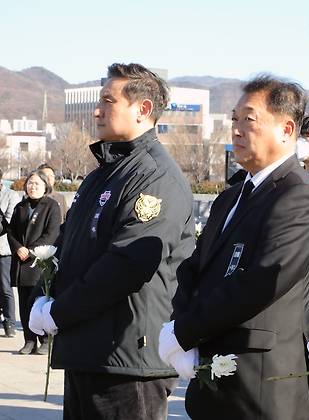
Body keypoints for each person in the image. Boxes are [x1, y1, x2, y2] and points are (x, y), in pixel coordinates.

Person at [28, 63, 195, 419]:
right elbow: (76, 248)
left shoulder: (152, 175)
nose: (96, 110)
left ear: (143, 109)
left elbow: (125, 266)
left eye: (108, 100)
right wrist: (49, 294)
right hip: (92, 350)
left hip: (125, 359)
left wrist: (58, 312)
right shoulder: (105, 173)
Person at [161, 75, 309, 420]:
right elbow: (195, 267)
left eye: (248, 120)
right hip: (213, 378)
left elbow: (264, 279)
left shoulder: (298, 194)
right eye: (233, 120)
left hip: (260, 384)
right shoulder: (231, 197)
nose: (236, 130)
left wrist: (185, 331)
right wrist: (178, 324)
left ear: (286, 129)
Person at [8, 170, 60, 354]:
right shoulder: (20, 207)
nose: (32, 186)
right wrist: (17, 248)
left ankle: (45, 339)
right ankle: (29, 340)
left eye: (37, 183)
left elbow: (51, 234)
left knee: (40, 301)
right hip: (21, 263)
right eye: (30, 183)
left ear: (45, 185)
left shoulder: (51, 206)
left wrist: (30, 251)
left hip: (40, 263)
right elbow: (11, 232)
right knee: (23, 303)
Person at [0, 169, 20, 337]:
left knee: (5, 287)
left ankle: (10, 323)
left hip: (3, 249)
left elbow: (9, 222)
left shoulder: (11, 195)